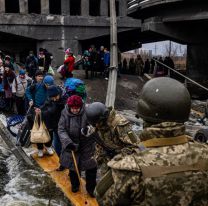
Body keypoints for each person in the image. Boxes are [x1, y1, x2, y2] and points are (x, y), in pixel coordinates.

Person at [89, 77, 208, 205]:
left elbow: (102, 199)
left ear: (144, 115)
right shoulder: (204, 154)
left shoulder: (129, 169)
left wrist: (135, 155)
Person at [85, 102, 139, 175]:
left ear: (102, 119)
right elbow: (100, 143)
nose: (95, 126)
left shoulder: (120, 124)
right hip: (107, 159)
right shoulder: (99, 124)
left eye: (96, 123)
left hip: (124, 160)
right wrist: (97, 158)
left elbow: (136, 144)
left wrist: (119, 155)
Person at [58, 95, 97, 197]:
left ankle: (91, 189)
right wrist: (68, 143)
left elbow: (95, 125)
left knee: (91, 168)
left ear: (81, 106)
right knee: (73, 168)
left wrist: (89, 129)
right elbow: (61, 130)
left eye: (77, 108)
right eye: (73, 108)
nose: (75, 110)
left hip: (87, 145)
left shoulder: (88, 112)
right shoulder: (64, 113)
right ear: (69, 107)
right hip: (72, 144)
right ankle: (75, 185)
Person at [36, 85, 65, 163]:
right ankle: (57, 156)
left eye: (56, 96)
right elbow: (45, 106)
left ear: (59, 93)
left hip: (61, 124)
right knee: (52, 137)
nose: (55, 99)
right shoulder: (50, 98)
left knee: (60, 141)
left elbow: (56, 110)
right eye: (53, 97)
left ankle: (61, 158)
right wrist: (40, 110)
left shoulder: (63, 100)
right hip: (52, 122)